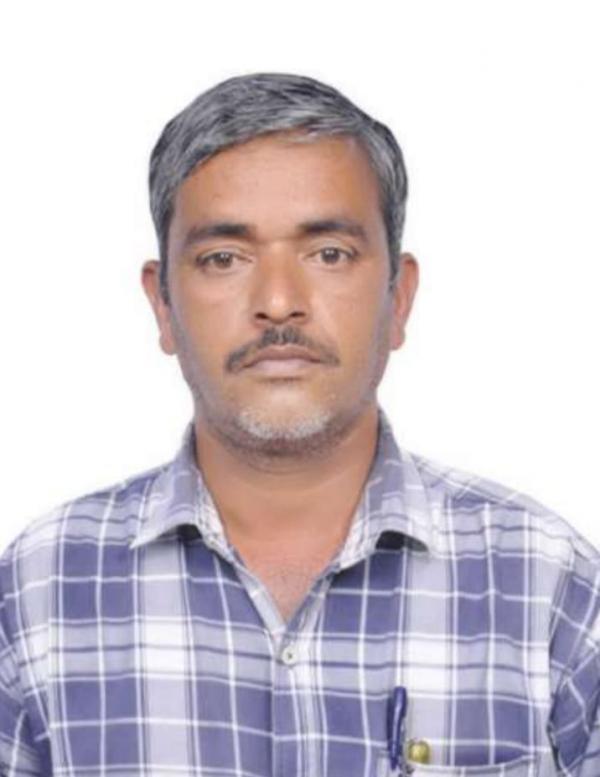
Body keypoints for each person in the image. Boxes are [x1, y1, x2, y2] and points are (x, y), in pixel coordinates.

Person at [0, 72, 598, 777]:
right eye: (224, 258)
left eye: (329, 253)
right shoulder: (38, 592)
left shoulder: (548, 587)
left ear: (398, 299)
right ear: (163, 306)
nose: (279, 302)